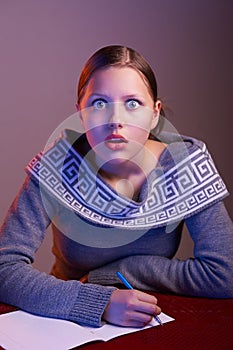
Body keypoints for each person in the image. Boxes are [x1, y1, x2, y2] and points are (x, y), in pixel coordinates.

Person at [0, 45, 232, 328]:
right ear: (80, 113)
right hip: (67, 319)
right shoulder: (58, 165)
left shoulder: (184, 165)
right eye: (99, 104)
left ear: (155, 113)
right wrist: (98, 302)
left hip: (149, 316)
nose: (115, 121)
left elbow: (226, 273)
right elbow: (4, 268)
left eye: (133, 103)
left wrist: (117, 272)